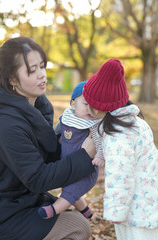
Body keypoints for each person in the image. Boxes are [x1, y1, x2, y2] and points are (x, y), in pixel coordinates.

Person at [0, 37, 97, 240]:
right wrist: (85, 154)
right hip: (0, 219)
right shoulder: (6, 124)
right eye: (32, 70)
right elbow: (38, 178)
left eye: (42, 67)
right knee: (78, 226)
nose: (42, 75)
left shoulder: (36, 109)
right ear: (12, 79)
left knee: (73, 218)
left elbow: (49, 159)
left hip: (24, 202)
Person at [82, 59, 158, 240]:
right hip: (156, 203)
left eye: (88, 103)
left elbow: (121, 175)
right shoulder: (136, 123)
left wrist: (115, 212)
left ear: (98, 107)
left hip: (138, 214)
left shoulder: (117, 135)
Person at [38, 80, 105, 220]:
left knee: (70, 192)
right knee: (70, 189)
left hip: (87, 169)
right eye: (85, 104)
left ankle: (53, 210)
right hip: (69, 164)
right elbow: (56, 131)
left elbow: (98, 140)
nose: (89, 109)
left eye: (94, 106)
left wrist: (99, 155)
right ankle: (86, 211)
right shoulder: (67, 118)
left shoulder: (93, 124)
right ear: (73, 104)